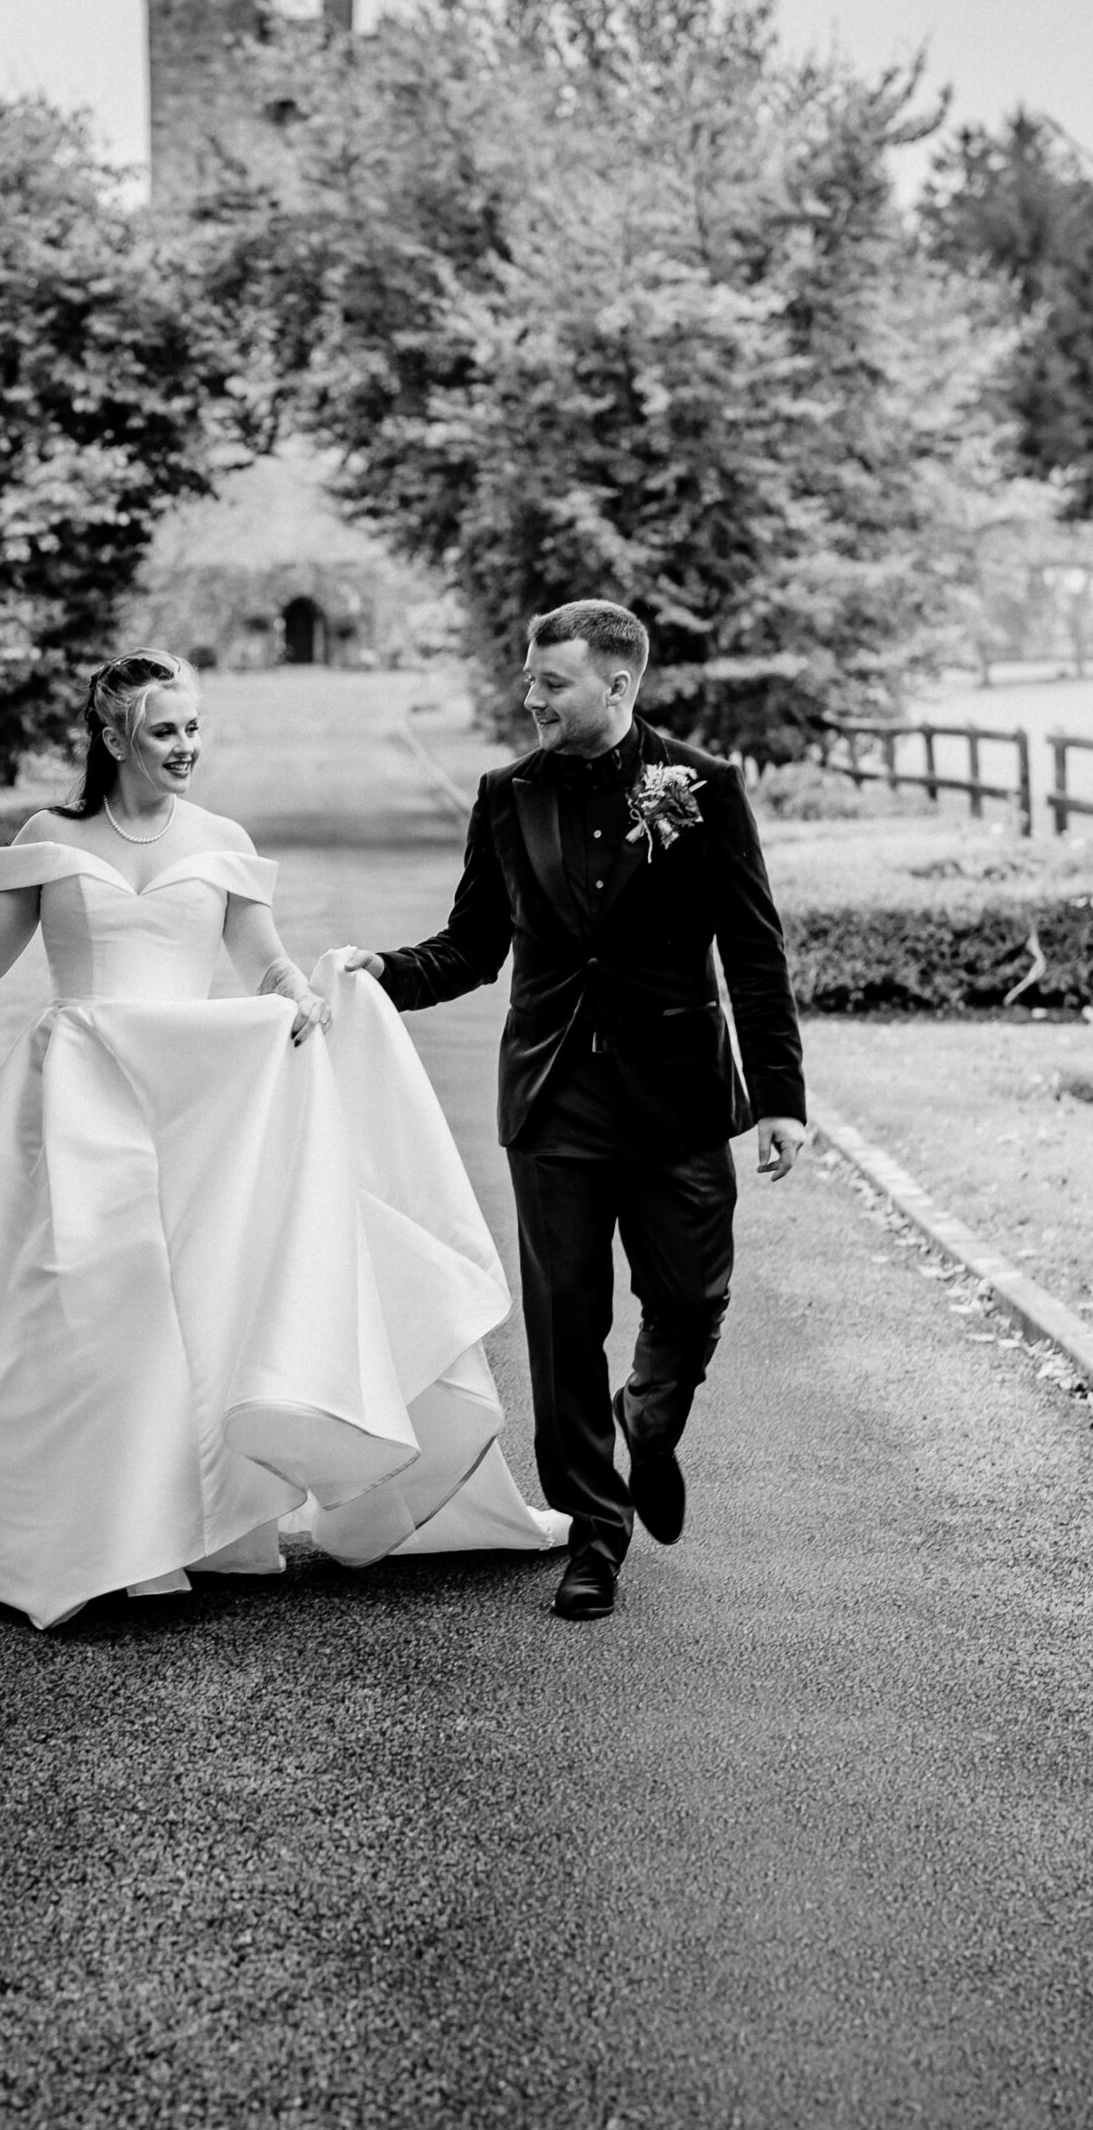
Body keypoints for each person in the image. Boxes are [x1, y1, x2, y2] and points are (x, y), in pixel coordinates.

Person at [0, 649, 564, 1629]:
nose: (186, 746)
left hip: (195, 1101)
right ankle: (96, 1534)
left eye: (194, 727)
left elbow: (264, 960)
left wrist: (300, 994)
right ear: (113, 736)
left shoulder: (220, 838)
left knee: (190, 1307)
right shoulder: (53, 834)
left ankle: (177, 1525)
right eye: (166, 730)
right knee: (87, 1306)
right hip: (77, 1097)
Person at [343, 601, 807, 1625]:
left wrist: (781, 1099)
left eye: (550, 681)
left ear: (617, 684)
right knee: (564, 1326)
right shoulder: (506, 795)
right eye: (528, 676)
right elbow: (471, 945)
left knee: (687, 1302)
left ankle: (649, 1413)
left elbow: (753, 948)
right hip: (552, 1099)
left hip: (679, 1096)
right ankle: (595, 1532)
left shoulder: (703, 789)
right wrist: (382, 972)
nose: (530, 695)